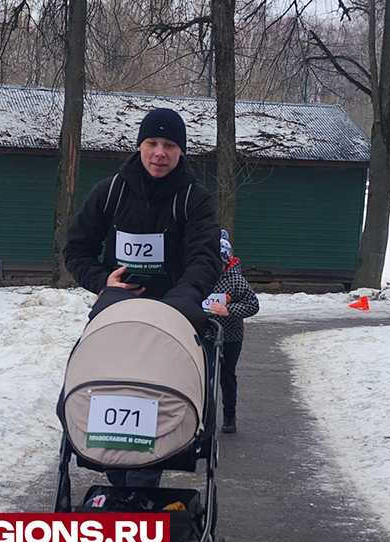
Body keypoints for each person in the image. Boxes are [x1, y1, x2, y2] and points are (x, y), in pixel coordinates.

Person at [64, 107, 221, 487]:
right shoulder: (110, 192)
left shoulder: (194, 199)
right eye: (152, 143)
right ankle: (119, 469)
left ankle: (146, 471)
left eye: (169, 145)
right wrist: (103, 281)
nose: (159, 153)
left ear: (181, 152)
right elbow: (76, 249)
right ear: (139, 146)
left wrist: (183, 300)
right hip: (118, 314)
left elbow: (205, 257)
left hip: (174, 317)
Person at [204, 230, 259, 434]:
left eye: (218, 263)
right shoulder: (201, 277)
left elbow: (253, 305)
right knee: (203, 375)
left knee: (226, 376)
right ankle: (203, 416)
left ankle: (229, 414)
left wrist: (229, 310)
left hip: (230, 336)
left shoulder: (235, 280)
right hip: (204, 334)